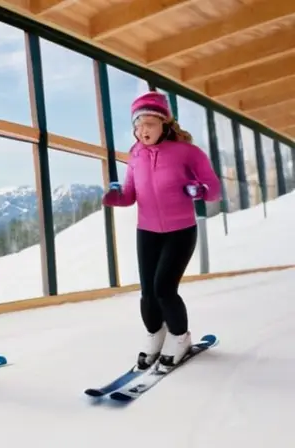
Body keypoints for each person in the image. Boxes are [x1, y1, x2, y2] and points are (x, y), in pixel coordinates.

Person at [102, 91, 221, 372]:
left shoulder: (187, 152)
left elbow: (213, 189)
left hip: (180, 230)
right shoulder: (135, 155)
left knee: (164, 289)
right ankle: (155, 335)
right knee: (148, 293)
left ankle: (180, 338)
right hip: (147, 231)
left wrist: (199, 190)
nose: (143, 130)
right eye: (139, 124)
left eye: (150, 124)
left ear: (165, 124)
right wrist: (115, 197)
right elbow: (130, 194)